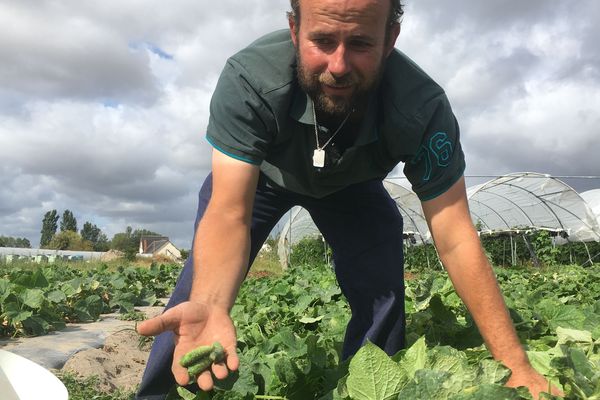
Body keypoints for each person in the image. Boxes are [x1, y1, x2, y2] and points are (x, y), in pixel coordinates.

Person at [136, 0, 561, 399]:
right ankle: (156, 392)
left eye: (360, 43)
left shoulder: (420, 107)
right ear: (293, 28)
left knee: (382, 290)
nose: (338, 66)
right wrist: (211, 303)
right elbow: (229, 210)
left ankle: (369, 386)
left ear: (391, 38)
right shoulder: (250, 79)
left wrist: (516, 365)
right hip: (261, 180)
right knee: (198, 296)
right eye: (322, 41)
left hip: (352, 187)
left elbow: (454, 232)